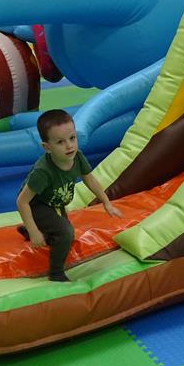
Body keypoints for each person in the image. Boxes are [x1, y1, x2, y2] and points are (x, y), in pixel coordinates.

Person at [16, 109, 123, 282]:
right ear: (47, 147)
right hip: (37, 204)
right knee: (65, 233)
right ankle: (56, 273)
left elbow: (90, 180)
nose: (69, 146)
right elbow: (22, 202)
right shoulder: (43, 172)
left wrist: (106, 202)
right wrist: (34, 231)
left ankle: (41, 231)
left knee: (65, 233)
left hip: (54, 202)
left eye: (72, 138)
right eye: (60, 142)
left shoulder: (77, 158)